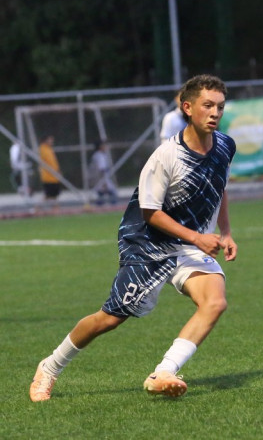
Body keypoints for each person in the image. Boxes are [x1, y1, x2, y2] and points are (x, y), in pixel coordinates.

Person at [30, 74, 237, 402]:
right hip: (147, 242)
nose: (215, 113)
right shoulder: (166, 157)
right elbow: (150, 213)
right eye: (207, 105)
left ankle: (164, 372)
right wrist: (198, 238)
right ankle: (50, 366)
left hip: (187, 242)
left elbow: (220, 186)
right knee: (110, 318)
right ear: (187, 108)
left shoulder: (225, 145)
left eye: (220, 107)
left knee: (215, 301)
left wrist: (225, 232)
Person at [90, 140, 118, 205]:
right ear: (100, 147)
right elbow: (102, 169)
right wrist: (104, 182)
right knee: (112, 194)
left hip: (100, 179)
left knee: (101, 196)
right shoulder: (100, 156)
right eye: (104, 145)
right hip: (102, 179)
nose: (105, 147)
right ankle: (113, 208)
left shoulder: (97, 155)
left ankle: (99, 207)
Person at [39, 135, 62, 210]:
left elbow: (54, 163)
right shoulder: (43, 149)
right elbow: (48, 163)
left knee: (54, 195)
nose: (51, 141)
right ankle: (37, 208)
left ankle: (55, 208)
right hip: (48, 177)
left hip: (54, 176)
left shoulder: (49, 149)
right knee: (48, 195)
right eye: (50, 140)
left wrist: (58, 171)